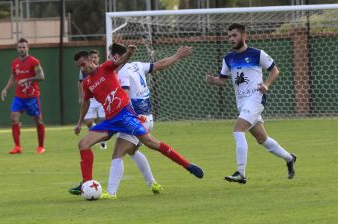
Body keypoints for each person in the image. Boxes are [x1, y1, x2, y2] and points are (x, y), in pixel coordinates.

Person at [68, 46, 204, 196]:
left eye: (82, 64)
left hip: (125, 116)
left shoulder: (106, 67)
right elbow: (85, 102)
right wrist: (80, 122)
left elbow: (119, 61)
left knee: (152, 143)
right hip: (111, 120)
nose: (82, 69)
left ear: (89, 60)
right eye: (78, 67)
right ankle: (87, 184)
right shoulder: (87, 83)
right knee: (83, 144)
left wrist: (129, 53)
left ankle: (188, 165)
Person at [99, 43, 194, 199]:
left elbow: (125, 94)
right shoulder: (136, 65)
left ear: (116, 57)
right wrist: (176, 56)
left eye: (109, 57)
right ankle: (153, 184)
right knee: (132, 151)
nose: (109, 60)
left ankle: (111, 192)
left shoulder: (121, 71)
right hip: (148, 118)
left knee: (118, 153)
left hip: (136, 119)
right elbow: (160, 64)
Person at [206, 23, 296, 184]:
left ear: (244, 36)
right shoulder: (228, 58)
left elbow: (275, 70)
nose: (231, 39)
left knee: (238, 130)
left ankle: (241, 173)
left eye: (234, 35)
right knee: (262, 139)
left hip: (256, 98)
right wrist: (213, 81)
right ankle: (289, 158)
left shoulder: (257, 54)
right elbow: (222, 80)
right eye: (229, 36)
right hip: (241, 103)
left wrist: (266, 84)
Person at [1, 37, 45, 154]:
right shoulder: (14, 62)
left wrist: (27, 79)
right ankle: (17, 147)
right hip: (19, 97)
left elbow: (41, 76)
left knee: (38, 121)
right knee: (14, 118)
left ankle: (41, 146)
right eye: (20, 47)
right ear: (17, 48)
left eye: (24, 47)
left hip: (32, 96)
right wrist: (6, 89)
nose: (22, 49)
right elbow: (13, 77)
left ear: (27, 48)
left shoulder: (34, 61)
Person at [78, 50, 107, 149]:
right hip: (91, 99)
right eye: (92, 57)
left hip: (102, 99)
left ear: (98, 58)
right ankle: (98, 135)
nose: (94, 59)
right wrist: (81, 96)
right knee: (88, 121)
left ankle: (102, 139)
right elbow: (80, 83)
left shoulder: (103, 68)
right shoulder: (83, 71)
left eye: (96, 57)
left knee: (103, 120)